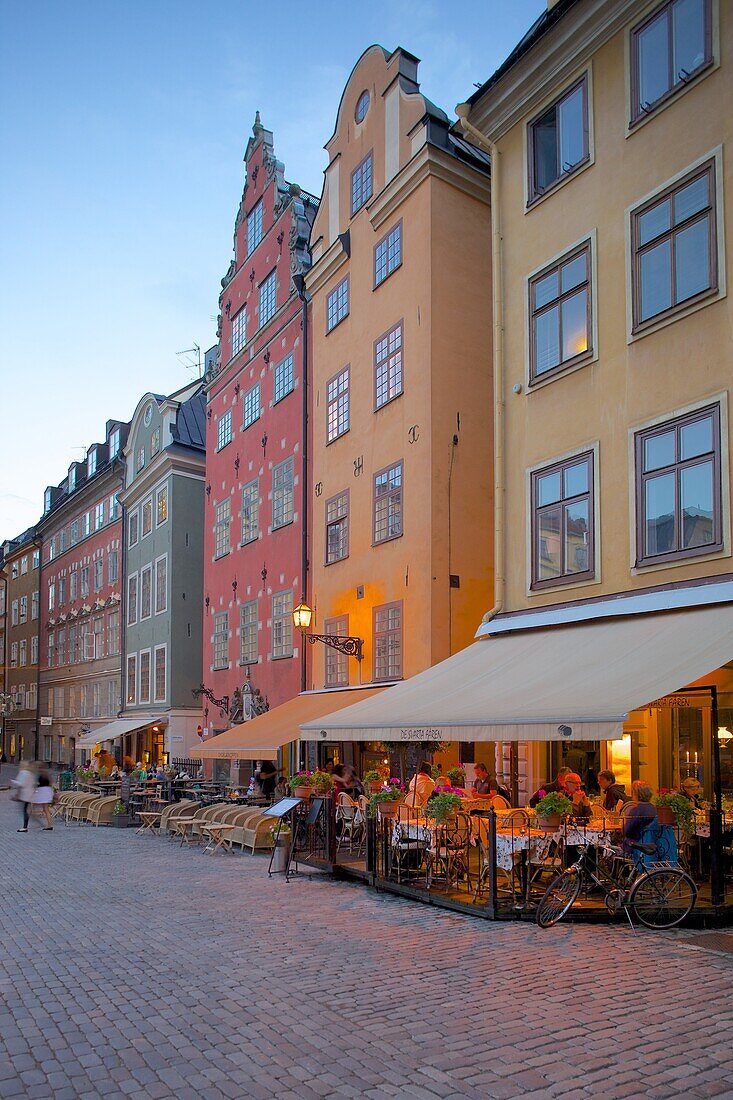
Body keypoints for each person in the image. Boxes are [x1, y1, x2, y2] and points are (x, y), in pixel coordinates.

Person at [12, 760, 37, 832]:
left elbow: (21, 784)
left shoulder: (23, 773)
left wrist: (13, 781)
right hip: (29, 794)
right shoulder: (30, 773)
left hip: (25, 794)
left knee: (25, 810)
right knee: (25, 810)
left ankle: (25, 827)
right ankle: (26, 825)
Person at [33, 764, 54, 830]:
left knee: (45, 809)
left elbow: (39, 784)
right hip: (46, 791)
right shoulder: (47, 775)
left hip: (42, 792)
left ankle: (49, 824)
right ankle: (49, 824)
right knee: (45, 809)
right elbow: (50, 783)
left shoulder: (41, 775)